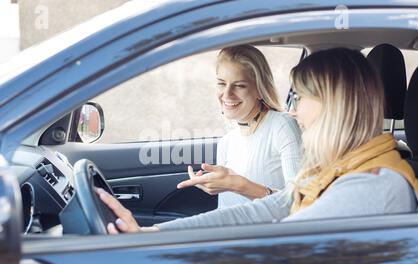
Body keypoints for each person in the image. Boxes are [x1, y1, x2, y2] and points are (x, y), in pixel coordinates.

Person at [98, 47, 418, 234]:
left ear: (334, 105)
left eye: (302, 99)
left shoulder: (372, 186)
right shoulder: (336, 170)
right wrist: (151, 234)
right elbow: (261, 212)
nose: (294, 112)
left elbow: (275, 249)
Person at [177, 45, 303, 208]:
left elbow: (299, 202)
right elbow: (225, 210)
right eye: (222, 84)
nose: (227, 94)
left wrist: (238, 185)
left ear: (259, 90)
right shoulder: (226, 142)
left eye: (239, 85)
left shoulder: (282, 126)